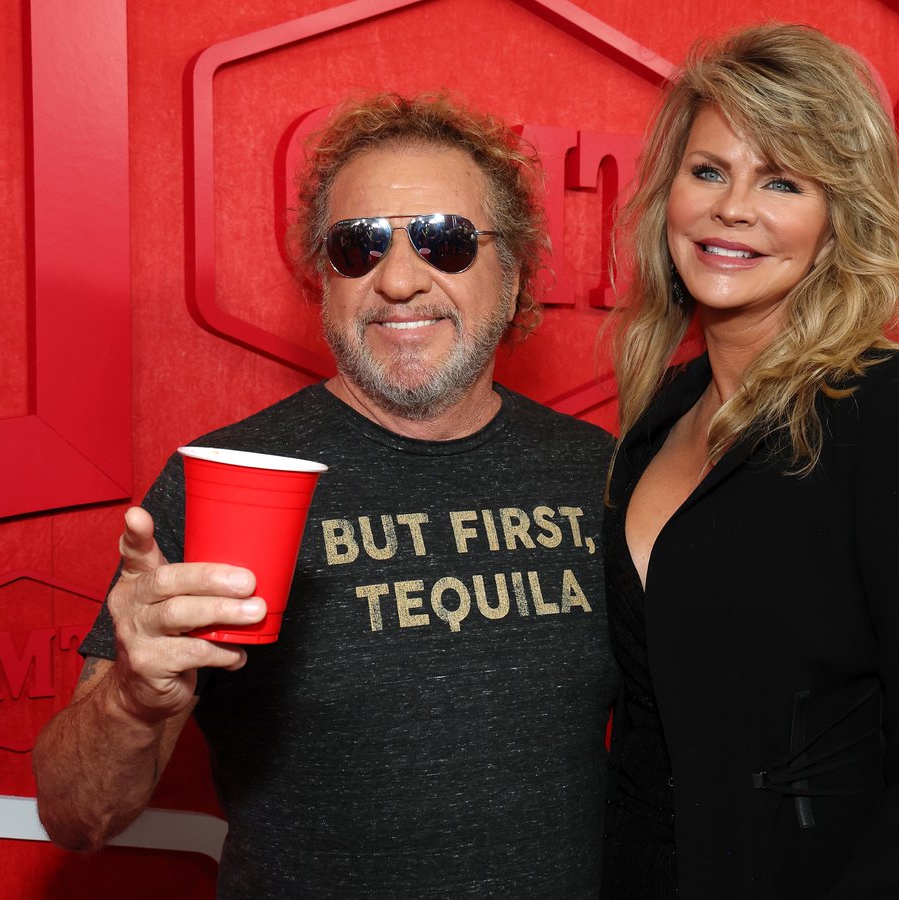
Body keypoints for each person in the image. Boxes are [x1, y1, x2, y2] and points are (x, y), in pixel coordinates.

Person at [33, 93, 618, 898]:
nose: (400, 280)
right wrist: (131, 702)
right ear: (324, 280)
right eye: (359, 247)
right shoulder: (224, 481)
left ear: (513, 273)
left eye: (446, 242)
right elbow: (76, 816)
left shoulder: (600, 475)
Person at [600, 24, 899, 899]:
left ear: (836, 222)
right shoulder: (657, 414)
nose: (731, 208)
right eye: (708, 171)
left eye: (781, 181)